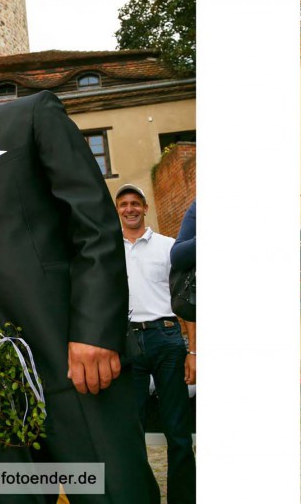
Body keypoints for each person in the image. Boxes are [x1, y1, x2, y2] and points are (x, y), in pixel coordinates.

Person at [0, 48, 158, 503]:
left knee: (110, 488)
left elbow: (94, 223)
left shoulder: (32, 115)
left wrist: (95, 332)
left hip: (66, 351)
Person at [116, 185, 195, 504]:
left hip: (166, 338)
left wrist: (194, 351)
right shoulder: (109, 249)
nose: (130, 208)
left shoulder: (168, 247)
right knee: (130, 432)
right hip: (127, 340)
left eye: (135, 203)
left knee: (177, 430)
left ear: (145, 207)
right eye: (123, 204)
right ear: (118, 210)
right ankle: (145, 496)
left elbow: (187, 301)